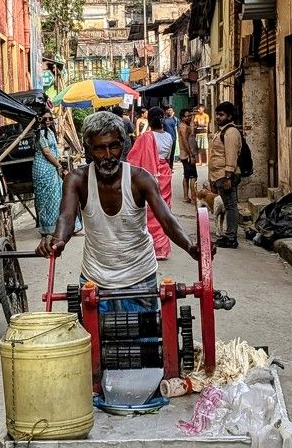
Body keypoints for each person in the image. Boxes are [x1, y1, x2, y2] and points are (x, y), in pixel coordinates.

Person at [36, 111, 200, 312]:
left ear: (123, 145)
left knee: (147, 339)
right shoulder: (77, 179)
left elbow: (166, 219)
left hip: (139, 275)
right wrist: (58, 239)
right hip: (95, 277)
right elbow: (66, 217)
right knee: (96, 342)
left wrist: (190, 246)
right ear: (89, 149)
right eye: (99, 148)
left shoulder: (140, 179)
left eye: (113, 146)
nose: (108, 155)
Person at [127, 108, 173, 260]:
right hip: (165, 173)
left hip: (149, 174)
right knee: (163, 208)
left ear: (150, 120)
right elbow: (168, 157)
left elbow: (132, 159)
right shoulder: (169, 137)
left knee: (149, 211)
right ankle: (162, 248)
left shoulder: (146, 137)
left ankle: (149, 247)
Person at [32, 110, 82, 237]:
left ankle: (66, 227)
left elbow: (54, 150)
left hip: (52, 167)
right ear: (40, 120)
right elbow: (47, 152)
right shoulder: (40, 133)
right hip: (43, 169)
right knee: (47, 200)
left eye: (50, 118)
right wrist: (58, 165)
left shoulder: (50, 132)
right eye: (45, 119)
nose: (48, 121)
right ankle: (49, 229)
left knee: (59, 196)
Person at [208, 101, 242, 248]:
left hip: (226, 175)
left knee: (231, 207)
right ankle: (229, 236)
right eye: (217, 114)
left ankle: (231, 238)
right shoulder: (222, 131)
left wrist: (228, 177)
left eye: (221, 115)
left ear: (229, 116)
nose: (218, 117)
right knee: (229, 206)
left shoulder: (231, 132)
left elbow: (231, 156)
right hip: (219, 175)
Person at [177, 107, 199, 204]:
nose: (189, 118)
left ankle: (186, 196)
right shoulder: (183, 127)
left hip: (185, 155)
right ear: (182, 117)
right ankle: (193, 198)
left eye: (190, 116)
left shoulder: (185, 126)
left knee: (186, 176)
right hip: (187, 155)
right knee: (193, 176)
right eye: (187, 116)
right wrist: (191, 155)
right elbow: (185, 142)